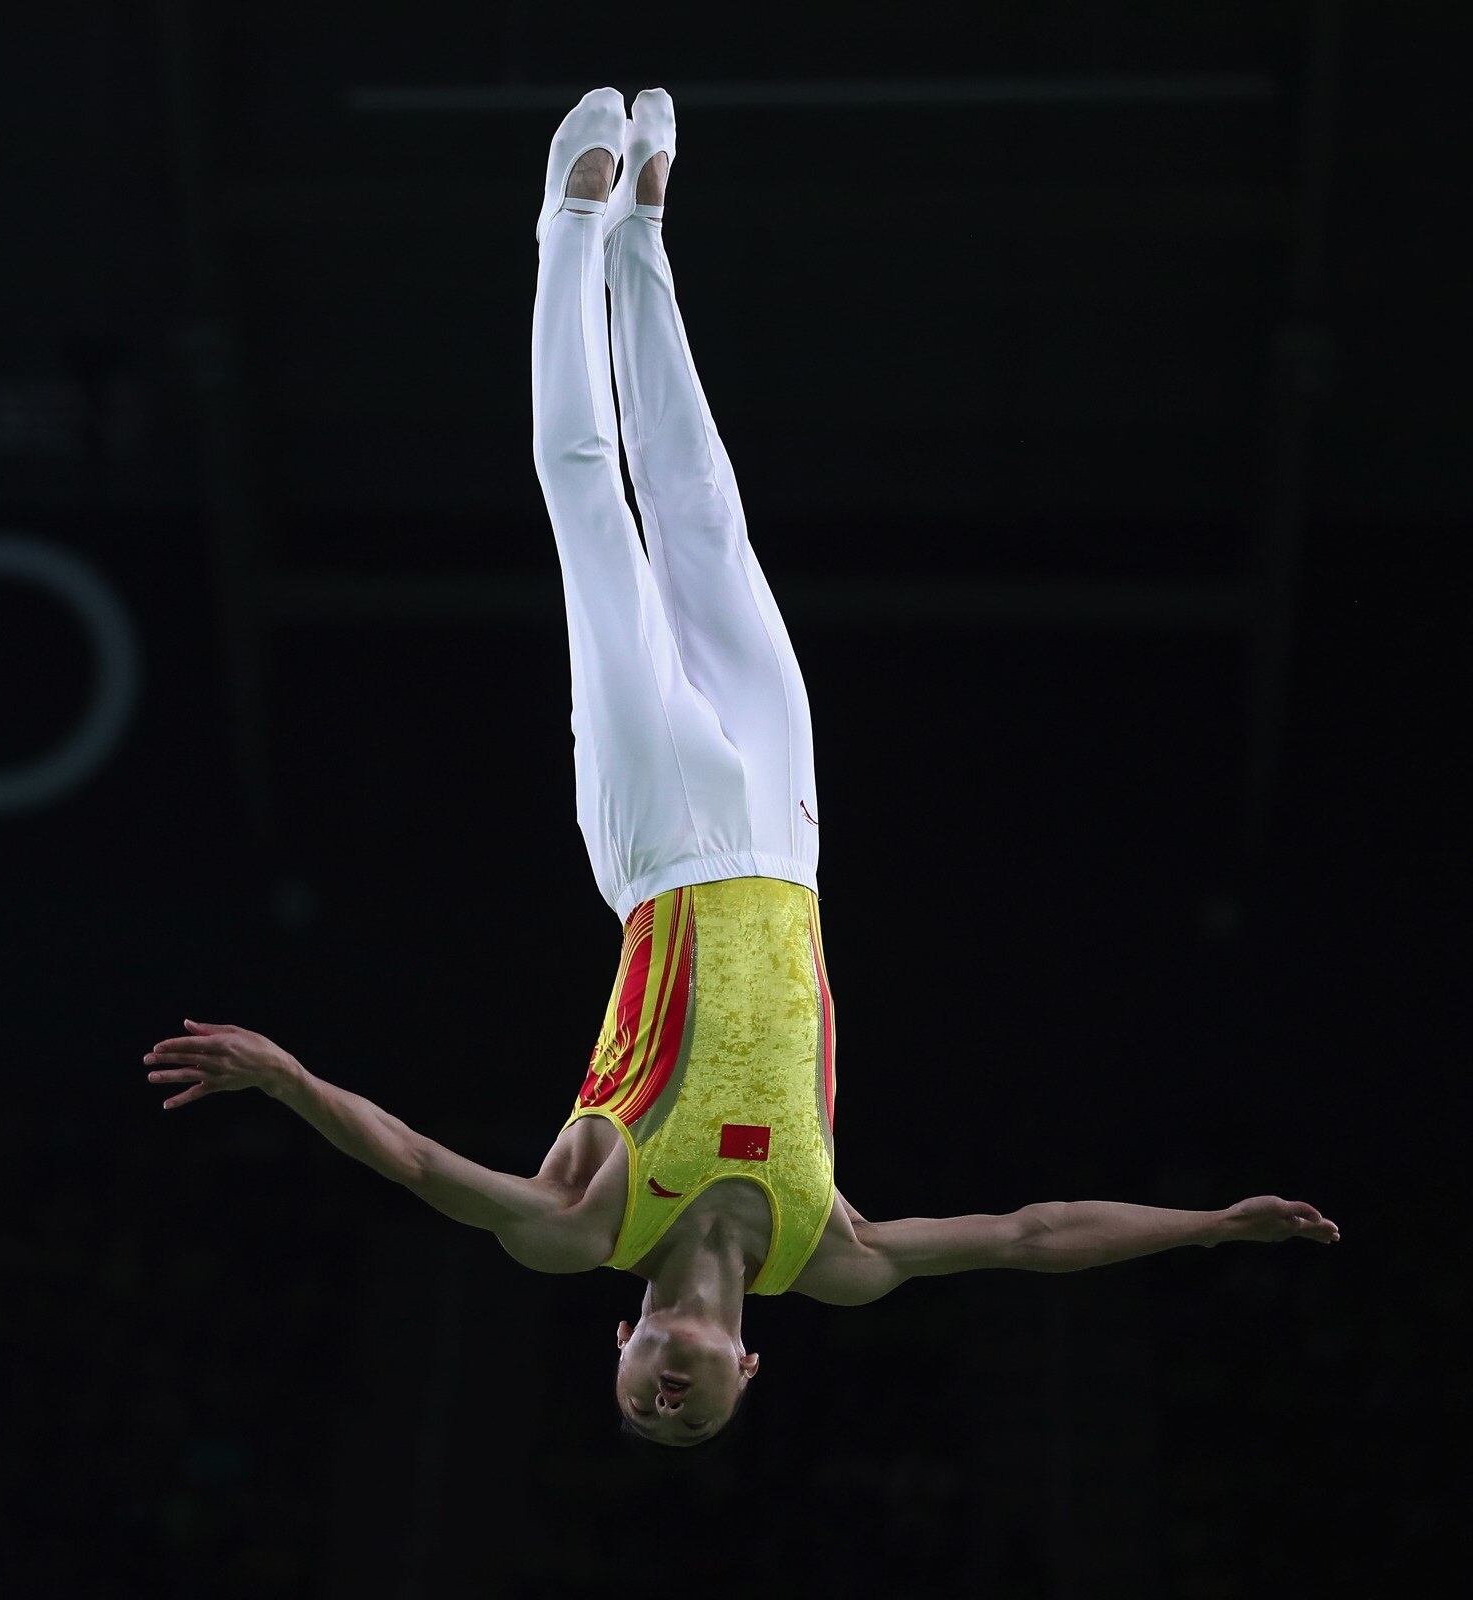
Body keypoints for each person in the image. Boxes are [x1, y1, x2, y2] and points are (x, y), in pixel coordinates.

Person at [140, 87, 1338, 1448]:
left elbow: (419, 1164)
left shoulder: (581, 1224)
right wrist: (1209, 1227)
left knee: (593, 508)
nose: (661, 1402)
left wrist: (289, 1080)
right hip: (786, 834)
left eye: (636, 1404)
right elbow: (1030, 1233)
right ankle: (645, 237)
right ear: (746, 1376)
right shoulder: (832, 1252)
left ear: (623, 1340)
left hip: (659, 852)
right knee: (705, 516)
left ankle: (566, 222)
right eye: (688, 1418)